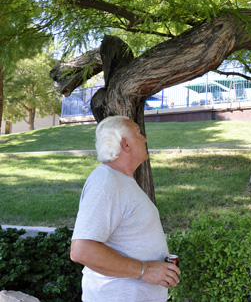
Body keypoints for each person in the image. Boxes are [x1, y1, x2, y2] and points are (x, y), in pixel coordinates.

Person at [70, 115, 180, 302]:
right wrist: (144, 270)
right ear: (125, 145)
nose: (144, 139)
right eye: (138, 134)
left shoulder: (119, 180)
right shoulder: (106, 183)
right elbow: (82, 250)